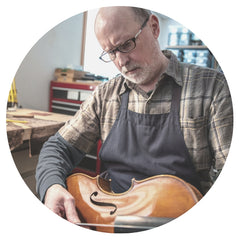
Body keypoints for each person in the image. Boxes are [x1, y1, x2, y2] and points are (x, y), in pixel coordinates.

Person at [36, 6, 233, 224]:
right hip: (111, 219)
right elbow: (58, 148)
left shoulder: (212, 88)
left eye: (126, 45)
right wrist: (51, 186)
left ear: (154, 27)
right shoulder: (105, 95)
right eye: (111, 52)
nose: (120, 61)